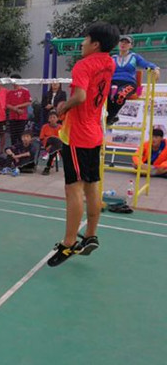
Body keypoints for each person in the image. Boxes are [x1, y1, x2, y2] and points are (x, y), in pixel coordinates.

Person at [47, 22, 120, 267]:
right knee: (91, 185)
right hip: (95, 132)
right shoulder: (109, 63)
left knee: (73, 188)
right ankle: (90, 235)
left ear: (95, 44)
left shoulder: (83, 65)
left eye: (85, 39)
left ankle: (69, 244)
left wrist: (62, 107)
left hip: (78, 135)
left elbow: (80, 96)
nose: (82, 43)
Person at [107, 35, 161, 125]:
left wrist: (155, 68)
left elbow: (145, 63)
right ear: (118, 44)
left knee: (120, 95)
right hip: (113, 82)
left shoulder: (134, 57)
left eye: (126, 42)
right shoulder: (113, 58)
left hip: (128, 83)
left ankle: (110, 118)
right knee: (107, 94)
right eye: (121, 42)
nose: (123, 44)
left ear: (131, 45)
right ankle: (112, 116)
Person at [6, 75, 31, 146]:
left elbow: (28, 102)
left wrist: (18, 106)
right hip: (12, 117)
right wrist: (15, 109)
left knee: (21, 135)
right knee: (13, 136)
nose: (14, 83)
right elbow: (7, 104)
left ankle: (22, 149)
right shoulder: (9, 92)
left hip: (22, 117)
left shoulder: (25, 91)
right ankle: (13, 149)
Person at [40, 111, 63, 175]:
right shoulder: (44, 126)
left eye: (54, 117)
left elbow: (63, 139)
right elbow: (41, 138)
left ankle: (48, 167)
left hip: (54, 146)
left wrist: (51, 146)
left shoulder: (61, 127)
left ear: (57, 119)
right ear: (48, 119)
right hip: (47, 144)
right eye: (50, 117)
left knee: (54, 148)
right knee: (53, 140)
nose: (52, 119)